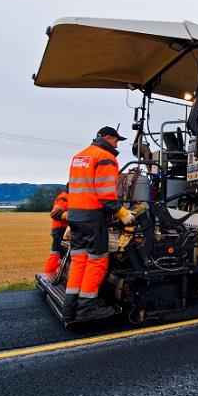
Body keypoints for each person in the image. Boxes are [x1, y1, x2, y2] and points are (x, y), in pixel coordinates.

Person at [62, 126, 136, 322]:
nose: (117, 144)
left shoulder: (79, 156)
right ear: (108, 138)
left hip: (75, 216)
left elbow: (72, 188)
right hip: (92, 218)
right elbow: (106, 195)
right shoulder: (105, 157)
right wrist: (124, 215)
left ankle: (70, 308)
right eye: (116, 140)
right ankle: (87, 310)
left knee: (79, 261)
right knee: (97, 262)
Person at [42, 184, 69, 276]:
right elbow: (54, 213)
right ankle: (48, 275)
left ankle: (55, 274)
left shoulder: (68, 196)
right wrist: (68, 215)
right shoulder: (64, 197)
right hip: (60, 230)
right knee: (56, 255)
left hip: (64, 230)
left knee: (61, 256)